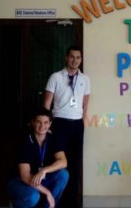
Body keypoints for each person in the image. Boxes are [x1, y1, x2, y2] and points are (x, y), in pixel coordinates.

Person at [44, 45, 90, 208]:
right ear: (66, 57)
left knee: (76, 164)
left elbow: (85, 103)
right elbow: (46, 104)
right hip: (59, 123)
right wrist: (47, 124)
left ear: (81, 60)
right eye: (72, 57)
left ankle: (73, 203)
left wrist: (83, 122)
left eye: (78, 57)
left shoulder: (85, 79)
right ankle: (56, 202)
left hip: (77, 125)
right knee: (58, 162)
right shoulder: (55, 77)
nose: (75, 60)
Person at [7, 108, 69, 208]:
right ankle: (16, 204)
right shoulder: (24, 141)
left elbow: (63, 162)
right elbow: (25, 176)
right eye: (39, 122)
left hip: (39, 178)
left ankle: (48, 206)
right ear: (33, 122)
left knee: (63, 174)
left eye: (45, 122)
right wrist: (47, 192)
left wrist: (44, 170)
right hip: (19, 181)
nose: (42, 126)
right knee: (33, 196)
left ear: (50, 124)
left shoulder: (53, 139)